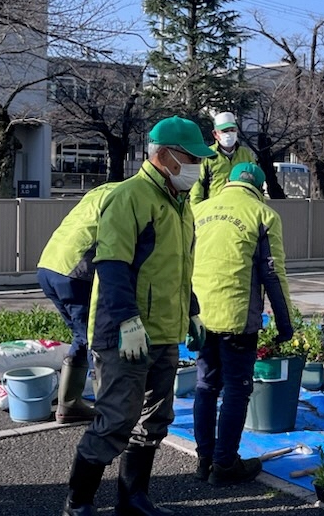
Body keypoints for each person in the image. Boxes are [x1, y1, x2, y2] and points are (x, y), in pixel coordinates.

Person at [60, 115, 211, 516]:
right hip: (123, 333)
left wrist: (193, 312)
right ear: (165, 156)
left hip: (162, 331)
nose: (197, 167)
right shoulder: (129, 197)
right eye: (192, 158)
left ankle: (133, 499)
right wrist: (127, 320)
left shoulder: (180, 205)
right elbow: (112, 264)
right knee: (115, 420)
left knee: (155, 420)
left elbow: (177, 269)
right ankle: (79, 503)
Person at [190, 162, 294, 486]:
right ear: (260, 189)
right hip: (237, 317)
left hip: (200, 315)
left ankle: (204, 459)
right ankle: (224, 465)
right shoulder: (263, 215)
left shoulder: (200, 210)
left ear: (229, 183)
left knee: (206, 385)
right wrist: (285, 324)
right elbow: (272, 274)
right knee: (237, 389)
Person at [36, 181, 119, 424]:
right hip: (75, 272)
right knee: (97, 339)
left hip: (49, 266)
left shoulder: (101, 191)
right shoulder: (132, 197)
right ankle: (109, 414)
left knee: (82, 336)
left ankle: (69, 405)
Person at [189, 111, 255, 204]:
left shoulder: (246, 154)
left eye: (232, 130)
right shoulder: (207, 155)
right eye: (225, 131)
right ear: (215, 134)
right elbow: (198, 185)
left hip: (242, 206)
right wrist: (195, 208)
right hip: (215, 207)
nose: (229, 133)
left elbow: (256, 181)